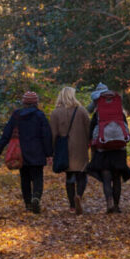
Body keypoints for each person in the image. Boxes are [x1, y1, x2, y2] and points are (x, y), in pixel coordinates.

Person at [0, 91, 53, 213]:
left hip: (20, 153)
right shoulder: (40, 115)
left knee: (24, 179)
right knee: (37, 178)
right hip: (37, 152)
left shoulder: (17, 115)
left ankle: (28, 204)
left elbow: (7, 133)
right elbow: (46, 135)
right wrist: (49, 154)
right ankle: (36, 197)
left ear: (24, 102)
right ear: (36, 103)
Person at [85, 88, 130, 213]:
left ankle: (109, 203)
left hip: (103, 150)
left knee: (106, 178)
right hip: (119, 150)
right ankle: (117, 206)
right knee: (117, 178)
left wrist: (91, 145)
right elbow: (126, 131)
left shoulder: (98, 114)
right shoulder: (120, 114)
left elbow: (91, 132)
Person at [49, 86, 91, 215]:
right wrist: (89, 144)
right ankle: (79, 195)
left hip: (64, 150)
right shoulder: (82, 111)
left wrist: (51, 152)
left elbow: (52, 134)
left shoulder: (55, 113)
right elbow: (89, 130)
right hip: (80, 148)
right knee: (82, 175)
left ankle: (72, 205)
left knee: (69, 177)